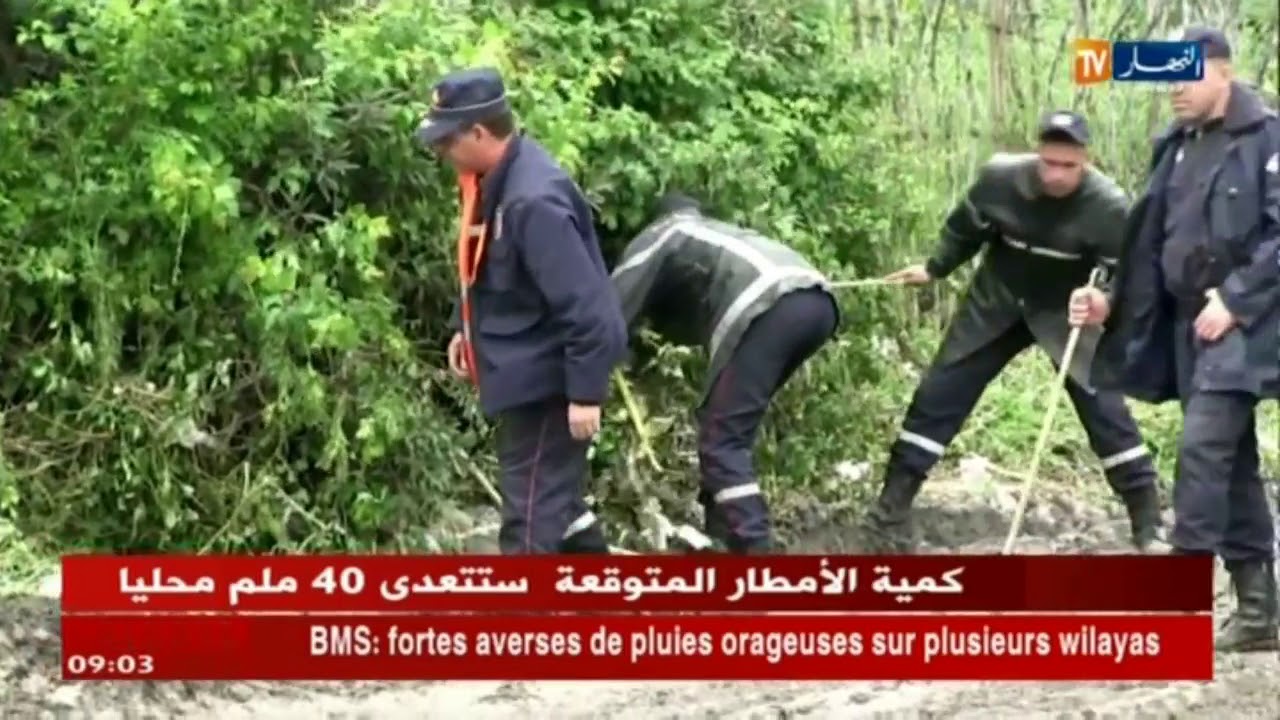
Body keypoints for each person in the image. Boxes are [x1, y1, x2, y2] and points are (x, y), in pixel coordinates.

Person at [863, 110, 1164, 553]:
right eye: (1049, 162)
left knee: (1104, 406)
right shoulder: (999, 179)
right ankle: (889, 513)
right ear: (1036, 153)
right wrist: (934, 267)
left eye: (1068, 166)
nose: (1056, 174)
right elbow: (964, 229)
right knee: (940, 390)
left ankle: (1147, 522)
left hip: (1065, 311)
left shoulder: (1111, 207)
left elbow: (1130, 276)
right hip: (998, 300)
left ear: (1087, 160)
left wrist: (1103, 301)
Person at [1070, 27, 1280, 651]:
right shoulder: (1175, 147)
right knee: (1231, 462)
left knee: (1203, 450)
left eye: (1185, 77)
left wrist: (1235, 300)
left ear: (1223, 71)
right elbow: (1148, 241)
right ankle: (1259, 611)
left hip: (1246, 322)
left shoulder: (1267, 139)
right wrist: (1109, 299)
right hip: (1187, 324)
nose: (1173, 91)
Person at [417, 67, 628, 554]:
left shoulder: (532, 201)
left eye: (446, 141)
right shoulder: (494, 182)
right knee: (557, 509)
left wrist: (585, 394)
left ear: (478, 132)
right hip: (523, 374)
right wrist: (464, 328)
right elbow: (490, 272)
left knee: (529, 523)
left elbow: (588, 306)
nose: (441, 153)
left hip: (547, 387)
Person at [610, 193, 839, 553]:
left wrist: (586, 371)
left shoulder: (663, 234)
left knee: (721, 439)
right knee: (729, 426)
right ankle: (722, 536)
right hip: (817, 303)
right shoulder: (711, 234)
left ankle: (753, 548)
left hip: (767, 305)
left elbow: (609, 312)